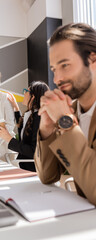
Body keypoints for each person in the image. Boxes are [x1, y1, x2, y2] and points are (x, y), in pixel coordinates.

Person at [34, 23, 96, 205]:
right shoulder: (72, 109)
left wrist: (65, 121)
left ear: (92, 60)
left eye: (65, 65)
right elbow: (48, 176)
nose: (56, 79)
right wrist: (46, 129)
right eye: (54, 69)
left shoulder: (66, 116)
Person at [0, 81, 49, 171]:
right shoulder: (32, 115)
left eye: (26, 91)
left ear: (33, 97)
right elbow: (24, 129)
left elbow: (33, 151)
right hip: (26, 166)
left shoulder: (40, 118)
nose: (23, 94)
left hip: (35, 170)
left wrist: (8, 138)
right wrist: (16, 108)